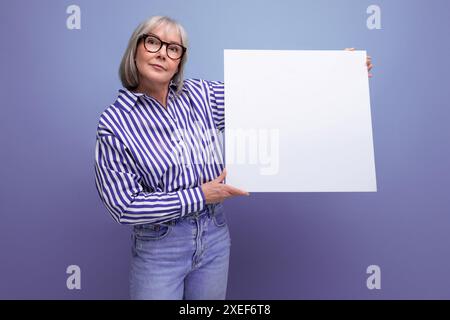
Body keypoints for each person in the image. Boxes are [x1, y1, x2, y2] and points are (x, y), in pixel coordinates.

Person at [94, 15, 374, 300]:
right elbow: (124, 206)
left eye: (173, 48)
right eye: (153, 42)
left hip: (214, 237)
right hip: (160, 246)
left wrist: (335, 73)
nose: (162, 53)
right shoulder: (114, 122)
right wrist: (201, 195)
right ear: (136, 48)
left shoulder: (200, 95)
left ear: (180, 60)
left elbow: (266, 96)